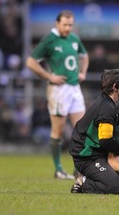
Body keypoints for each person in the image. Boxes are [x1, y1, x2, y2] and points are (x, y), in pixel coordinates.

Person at [26, 10, 89, 180]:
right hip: (58, 90)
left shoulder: (74, 39)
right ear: (57, 24)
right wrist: (49, 76)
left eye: (70, 25)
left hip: (75, 88)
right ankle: (58, 169)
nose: (68, 28)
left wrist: (82, 72)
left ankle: (80, 169)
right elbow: (31, 62)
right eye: (65, 25)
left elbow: (84, 56)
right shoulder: (49, 40)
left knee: (82, 130)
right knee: (59, 131)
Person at [69, 68, 119, 194]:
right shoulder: (106, 108)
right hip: (87, 158)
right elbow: (105, 140)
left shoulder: (111, 104)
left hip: (96, 154)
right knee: (117, 188)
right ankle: (84, 182)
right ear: (114, 87)